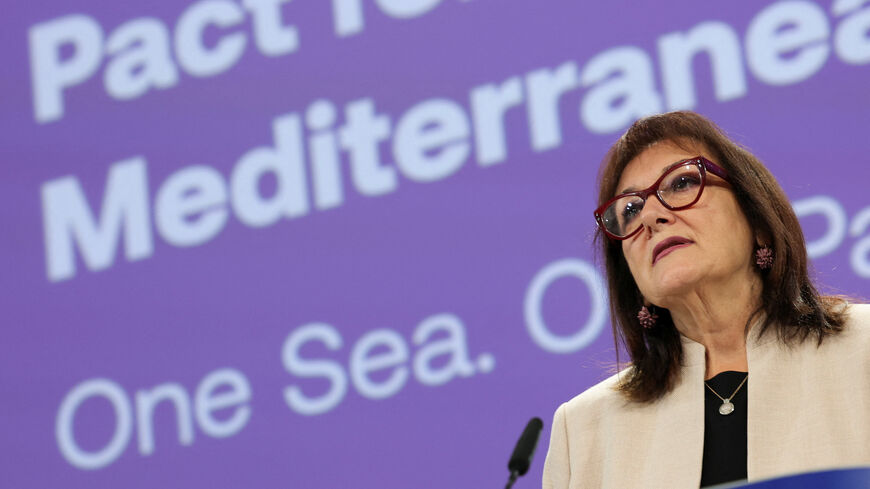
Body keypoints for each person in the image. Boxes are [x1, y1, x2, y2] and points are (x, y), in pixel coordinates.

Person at [541, 111, 870, 488]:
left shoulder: (863, 351)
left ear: (758, 221)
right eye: (628, 211)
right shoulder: (584, 431)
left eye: (681, 183)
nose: (650, 215)